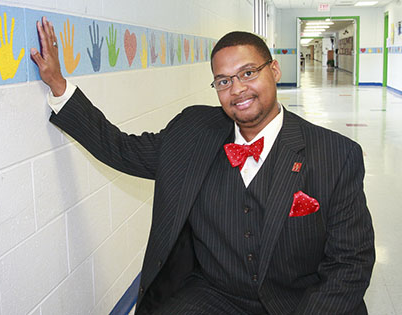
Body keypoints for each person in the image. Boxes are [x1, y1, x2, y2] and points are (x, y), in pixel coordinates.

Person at [31, 17, 375, 315]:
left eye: (248, 73)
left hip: (297, 302)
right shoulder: (193, 133)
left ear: (274, 70)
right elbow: (122, 150)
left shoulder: (335, 154)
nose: (237, 89)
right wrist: (60, 87)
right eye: (223, 80)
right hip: (216, 295)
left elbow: (350, 263)